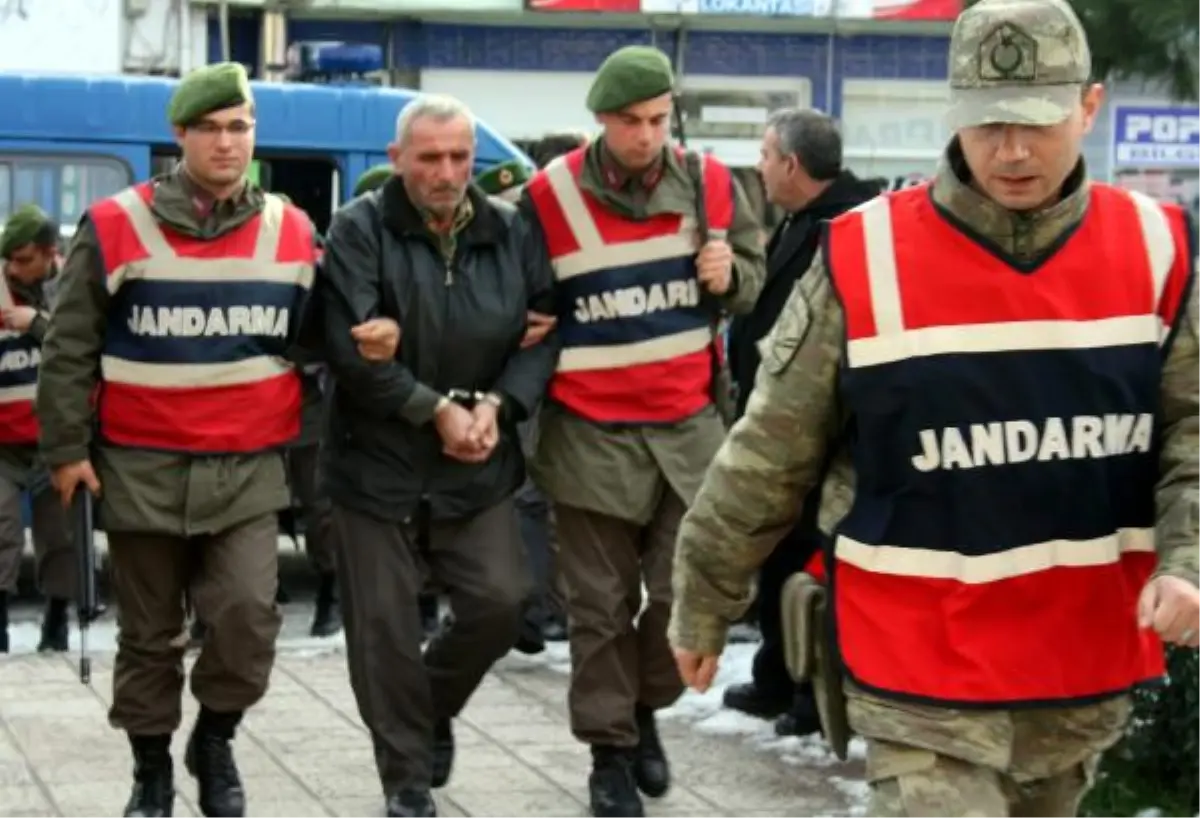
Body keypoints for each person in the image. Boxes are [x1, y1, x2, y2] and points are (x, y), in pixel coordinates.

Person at [668, 1, 1200, 816]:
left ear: (1088, 107)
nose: (1012, 149)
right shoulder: (863, 255)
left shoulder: (1157, 250)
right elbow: (771, 452)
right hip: (921, 668)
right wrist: (705, 600)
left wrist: (1188, 561)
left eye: (1038, 121)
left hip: (1078, 660)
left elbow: (1192, 432)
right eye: (987, 124)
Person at [37, 62, 320, 818]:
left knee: (248, 620)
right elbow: (68, 348)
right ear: (181, 136)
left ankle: (215, 737)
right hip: (139, 469)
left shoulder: (293, 230)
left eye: (240, 128)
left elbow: (322, 341)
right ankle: (152, 770)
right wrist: (66, 452)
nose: (228, 144)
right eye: (211, 129)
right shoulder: (116, 224)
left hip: (248, 470)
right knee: (149, 635)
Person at [521, 45, 766, 818]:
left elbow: (753, 288)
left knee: (679, 600)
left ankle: (642, 708)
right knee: (595, 609)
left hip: (688, 434)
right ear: (602, 120)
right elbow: (523, 299)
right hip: (590, 436)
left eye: (659, 119)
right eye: (631, 122)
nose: (647, 136)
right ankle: (608, 754)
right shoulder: (546, 197)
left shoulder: (714, 185)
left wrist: (733, 280)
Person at [319, 93, 558, 818]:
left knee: (502, 603)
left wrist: (495, 407)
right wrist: (436, 409)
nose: (448, 171)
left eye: (460, 157)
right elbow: (350, 348)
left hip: (478, 462)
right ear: (398, 161)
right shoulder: (358, 230)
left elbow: (546, 334)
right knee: (385, 633)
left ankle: (429, 710)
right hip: (377, 463)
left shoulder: (512, 232)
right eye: (430, 157)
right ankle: (407, 782)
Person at [721, 108, 878, 736]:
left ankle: (814, 695)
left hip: (823, 432)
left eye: (764, 157)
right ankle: (778, 675)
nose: (758, 169)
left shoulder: (847, 227)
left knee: (814, 562)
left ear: (791, 164)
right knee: (779, 553)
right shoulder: (797, 222)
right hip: (780, 423)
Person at [0, 206, 80, 654]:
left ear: (51, 254)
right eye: (8, 260)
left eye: (23, 259)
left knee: (60, 537)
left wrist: (37, 326)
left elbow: (84, 348)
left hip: (56, 441)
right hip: (3, 445)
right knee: (1, 529)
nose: (13, 269)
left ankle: (57, 624)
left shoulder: (73, 288)